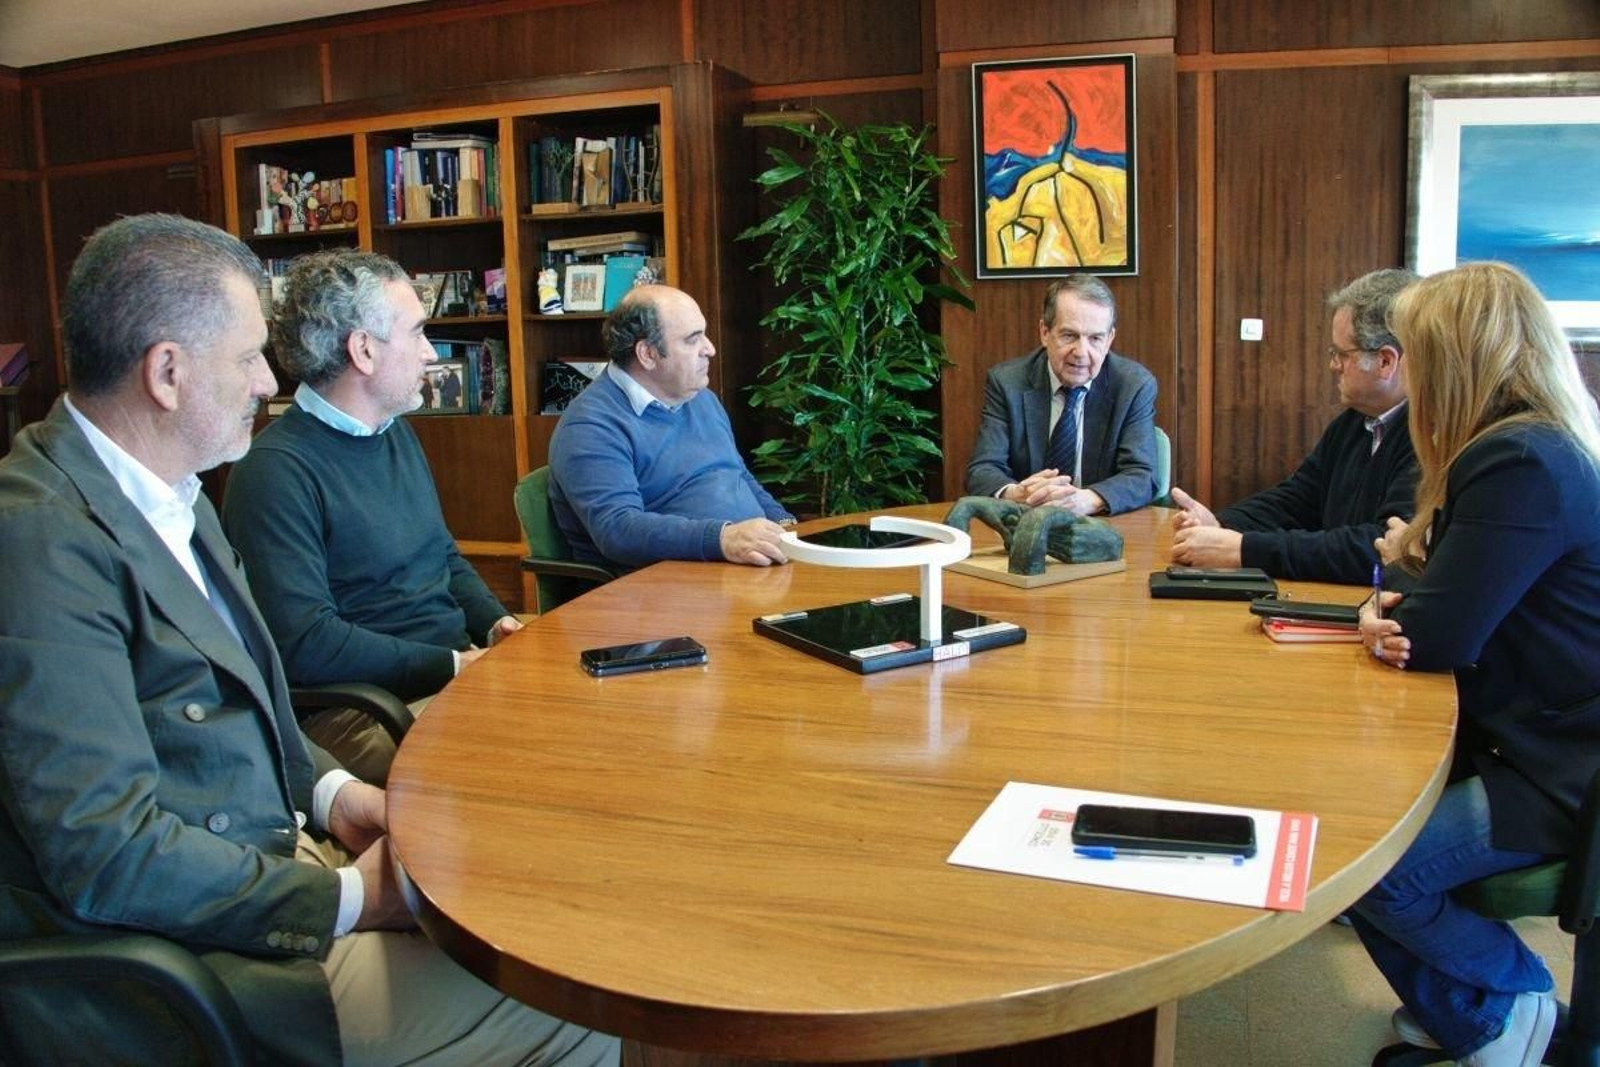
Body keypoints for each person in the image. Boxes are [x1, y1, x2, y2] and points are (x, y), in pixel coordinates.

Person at [0, 215, 616, 1066]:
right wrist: (341, 898)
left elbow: (255, 703)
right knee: (581, 993)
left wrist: (335, 797)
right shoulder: (35, 538)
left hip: (269, 860)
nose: (268, 380)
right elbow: (109, 856)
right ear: (168, 373)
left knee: (549, 907)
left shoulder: (171, 492)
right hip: (193, 966)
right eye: (251, 355)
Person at [1355, 262, 1600, 1065]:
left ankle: (1508, 1006)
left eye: (1416, 354)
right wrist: (1405, 597)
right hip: (1543, 737)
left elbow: (1439, 636)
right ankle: (1472, 1015)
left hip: (1559, 768)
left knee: (1370, 867)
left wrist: (1398, 606)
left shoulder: (1517, 459)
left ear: (1456, 357)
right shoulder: (1541, 440)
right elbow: (1445, 607)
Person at [222, 249, 520, 784]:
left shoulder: (395, 432)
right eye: (418, 333)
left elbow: (443, 555)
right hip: (362, 710)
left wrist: (498, 625)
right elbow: (306, 645)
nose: (431, 353)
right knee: (525, 772)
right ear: (363, 350)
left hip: (450, 674)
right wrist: (453, 665)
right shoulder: (273, 473)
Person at [1169, 268, 1419, 583]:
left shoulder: (1429, 436)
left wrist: (1244, 549)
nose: (1333, 365)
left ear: (1385, 361)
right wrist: (1221, 524)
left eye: (1341, 354)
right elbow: (1297, 499)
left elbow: (1381, 547)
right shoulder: (1353, 422)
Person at [549, 284, 795, 569]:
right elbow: (617, 529)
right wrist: (722, 539)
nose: (710, 349)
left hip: (741, 565)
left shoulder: (700, 399)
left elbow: (737, 475)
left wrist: (784, 525)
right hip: (664, 587)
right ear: (648, 354)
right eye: (693, 339)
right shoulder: (591, 425)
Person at [963, 274, 1157, 516]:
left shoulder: (1133, 385)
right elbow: (982, 469)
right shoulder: (1007, 382)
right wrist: (1019, 493)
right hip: (1024, 524)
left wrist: (1087, 499)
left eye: (1095, 338)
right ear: (1045, 332)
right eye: (1069, 335)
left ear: (1109, 340)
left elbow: (1142, 475)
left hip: (1102, 528)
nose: (1081, 352)